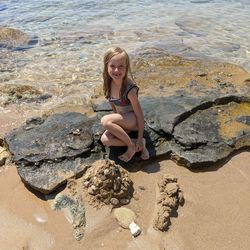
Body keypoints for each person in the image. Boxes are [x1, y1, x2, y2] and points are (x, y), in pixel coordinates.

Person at [100, 47, 149, 162]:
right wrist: (117, 124)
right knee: (105, 140)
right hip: (123, 120)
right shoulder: (108, 83)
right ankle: (138, 143)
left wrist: (140, 134)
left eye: (121, 66)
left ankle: (131, 147)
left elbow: (140, 115)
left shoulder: (130, 90)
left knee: (105, 121)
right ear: (106, 66)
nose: (116, 70)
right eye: (112, 66)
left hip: (132, 120)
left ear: (126, 68)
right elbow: (113, 106)